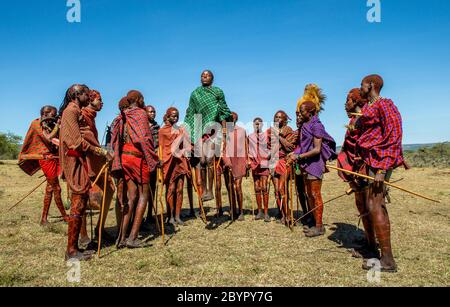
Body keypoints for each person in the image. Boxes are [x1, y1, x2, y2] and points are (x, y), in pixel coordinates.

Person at [356, 74, 405, 273]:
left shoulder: (385, 105)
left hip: (380, 162)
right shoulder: (369, 106)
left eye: (362, 85)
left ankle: (387, 260)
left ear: (371, 85)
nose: (360, 88)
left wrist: (382, 169)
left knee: (376, 205)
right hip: (371, 159)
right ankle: (377, 252)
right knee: (371, 204)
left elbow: (394, 135)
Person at [59, 84, 111, 261]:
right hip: (75, 161)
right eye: (86, 94)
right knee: (77, 205)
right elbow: (75, 142)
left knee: (80, 204)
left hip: (80, 160)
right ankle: (71, 251)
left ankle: (74, 248)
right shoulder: (70, 111)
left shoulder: (76, 110)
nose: (89, 98)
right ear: (76, 94)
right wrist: (101, 151)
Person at [112, 90, 158, 249]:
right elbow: (144, 139)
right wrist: (153, 159)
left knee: (131, 197)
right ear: (138, 100)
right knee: (143, 195)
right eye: (143, 98)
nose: (144, 101)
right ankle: (132, 237)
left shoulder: (123, 116)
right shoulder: (140, 114)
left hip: (124, 157)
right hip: (137, 158)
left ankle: (121, 238)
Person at [336, 88, 377, 257]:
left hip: (366, 169)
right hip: (355, 171)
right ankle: (369, 240)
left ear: (357, 101)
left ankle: (373, 248)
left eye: (348, 100)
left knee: (369, 207)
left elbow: (368, 145)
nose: (346, 104)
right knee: (361, 206)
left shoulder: (365, 119)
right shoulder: (354, 120)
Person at [289, 100, 336, 238]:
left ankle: (319, 226)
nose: (300, 113)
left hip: (315, 163)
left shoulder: (317, 126)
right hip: (306, 163)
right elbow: (303, 145)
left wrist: (298, 156)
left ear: (309, 112)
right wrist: (294, 153)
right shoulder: (305, 125)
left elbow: (317, 149)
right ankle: (315, 222)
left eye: (302, 111)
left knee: (315, 194)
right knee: (309, 194)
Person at [184, 70, 232, 203]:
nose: (204, 77)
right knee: (202, 160)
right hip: (199, 128)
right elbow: (191, 113)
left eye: (207, 75)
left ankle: (210, 190)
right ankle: (205, 190)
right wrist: (188, 130)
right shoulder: (195, 94)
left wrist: (224, 129)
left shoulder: (217, 92)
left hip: (214, 129)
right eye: (202, 75)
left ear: (212, 78)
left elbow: (223, 110)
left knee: (210, 158)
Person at [19, 106, 68, 225]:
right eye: (53, 114)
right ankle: (65, 216)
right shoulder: (36, 124)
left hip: (54, 158)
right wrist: (58, 125)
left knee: (50, 189)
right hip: (45, 159)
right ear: (45, 114)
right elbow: (48, 138)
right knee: (57, 188)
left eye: (56, 115)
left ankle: (44, 219)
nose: (55, 117)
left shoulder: (50, 124)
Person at [79, 90, 115, 247]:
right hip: (83, 161)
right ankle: (83, 235)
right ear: (89, 100)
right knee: (81, 198)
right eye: (99, 100)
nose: (101, 103)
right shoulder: (82, 115)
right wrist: (102, 151)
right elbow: (82, 138)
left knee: (110, 190)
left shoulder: (91, 117)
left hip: (96, 160)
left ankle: (100, 227)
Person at [159, 107, 192, 226]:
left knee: (179, 189)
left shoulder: (181, 130)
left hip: (180, 162)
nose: (175, 118)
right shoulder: (162, 131)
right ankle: (170, 216)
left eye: (177, 115)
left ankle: (177, 216)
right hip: (169, 163)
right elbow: (162, 148)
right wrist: (162, 160)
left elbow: (187, 145)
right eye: (173, 115)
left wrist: (187, 152)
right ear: (167, 116)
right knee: (171, 189)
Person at [267, 111, 297, 226]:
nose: (277, 119)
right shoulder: (271, 131)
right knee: (276, 191)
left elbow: (289, 146)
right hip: (274, 162)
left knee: (282, 189)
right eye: (276, 117)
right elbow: (269, 148)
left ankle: (288, 215)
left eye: (280, 117)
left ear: (284, 119)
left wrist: (278, 137)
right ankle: (283, 214)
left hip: (285, 161)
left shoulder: (288, 130)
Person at [220, 112, 249, 221]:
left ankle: (241, 211)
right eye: (230, 118)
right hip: (228, 162)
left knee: (238, 186)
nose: (232, 119)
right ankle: (233, 210)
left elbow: (246, 146)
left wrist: (248, 160)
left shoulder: (242, 130)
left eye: (234, 118)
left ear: (236, 119)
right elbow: (222, 149)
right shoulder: (224, 132)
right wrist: (226, 161)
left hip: (240, 161)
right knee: (230, 187)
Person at [248, 117, 271, 222]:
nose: (257, 126)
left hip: (264, 163)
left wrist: (267, 156)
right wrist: (249, 159)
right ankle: (259, 211)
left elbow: (271, 149)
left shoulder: (266, 136)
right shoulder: (250, 137)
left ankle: (266, 212)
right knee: (257, 188)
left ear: (262, 125)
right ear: (253, 125)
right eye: (255, 124)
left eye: (259, 124)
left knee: (264, 187)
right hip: (254, 165)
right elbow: (248, 150)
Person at [143, 105, 160, 226]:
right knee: (142, 190)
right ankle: (140, 218)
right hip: (143, 161)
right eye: (150, 112)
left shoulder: (157, 127)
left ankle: (150, 214)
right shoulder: (141, 126)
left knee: (153, 188)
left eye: (154, 111)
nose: (153, 114)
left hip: (154, 160)